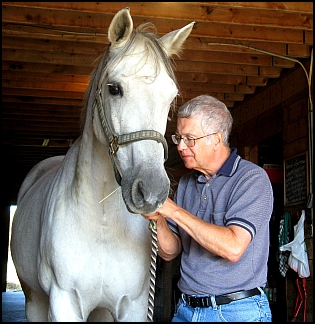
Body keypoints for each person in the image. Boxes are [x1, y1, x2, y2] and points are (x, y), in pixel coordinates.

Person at [142, 95, 273, 322]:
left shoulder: (251, 179)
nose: (181, 146)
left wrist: (173, 211)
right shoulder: (186, 184)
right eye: (179, 137)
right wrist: (157, 217)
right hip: (186, 309)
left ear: (216, 139)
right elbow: (169, 252)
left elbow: (233, 247)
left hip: (238, 311)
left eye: (190, 138)